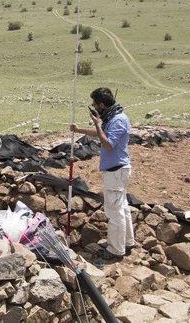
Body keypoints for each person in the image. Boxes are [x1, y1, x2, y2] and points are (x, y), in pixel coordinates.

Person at [70, 87, 135, 259]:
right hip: (116, 169)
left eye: (94, 104)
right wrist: (80, 130)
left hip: (115, 170)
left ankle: (115, 250)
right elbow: (102, 135)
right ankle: (127, 242)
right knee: (121, 207)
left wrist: (98, 124)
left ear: (101, 104)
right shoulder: (112, 117)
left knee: (114, 211)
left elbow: (108, 144)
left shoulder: (118, 120)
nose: (93, 107)